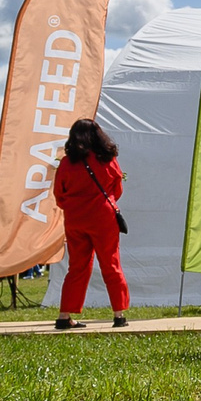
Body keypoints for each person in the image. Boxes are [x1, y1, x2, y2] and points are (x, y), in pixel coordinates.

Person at [50, 117, 130, 329]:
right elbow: (117, 188)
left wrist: (74, 205)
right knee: (111, 264)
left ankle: (64, 315)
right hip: (103, 217)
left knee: (77, 267)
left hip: (75, 219)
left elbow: (59, 194)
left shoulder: (67, 163)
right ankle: (119, 314)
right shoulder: (107, 158)